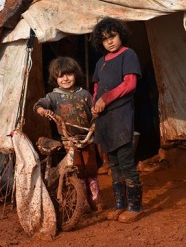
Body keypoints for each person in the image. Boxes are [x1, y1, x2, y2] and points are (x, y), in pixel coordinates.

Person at [34, 56, 103, 213]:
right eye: (60, 76)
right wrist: (43, 111)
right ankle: (82, 200)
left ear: (75, 74)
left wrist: (95, 112)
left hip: (86, 137)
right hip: (69, 140)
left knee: (91, 168)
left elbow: (94, 111)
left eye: (69, 74)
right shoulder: (53, 96)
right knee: (77, 169)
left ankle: (95, 197)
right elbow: (38, 105)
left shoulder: (84, 94)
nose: (65, 79)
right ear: (55, 78)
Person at [90, 17, 143, 223]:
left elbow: (130, 84)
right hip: (105, 119)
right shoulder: (100, 63)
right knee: (113, 163)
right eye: (104, 39)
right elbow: (96, 87)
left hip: (121, 115)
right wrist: (95, 104)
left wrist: (106, 98)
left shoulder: (128, 55)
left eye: (112, 36)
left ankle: (135, 206)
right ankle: (120, 204)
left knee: (126, 162)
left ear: (120, 35)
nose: (110, 42)